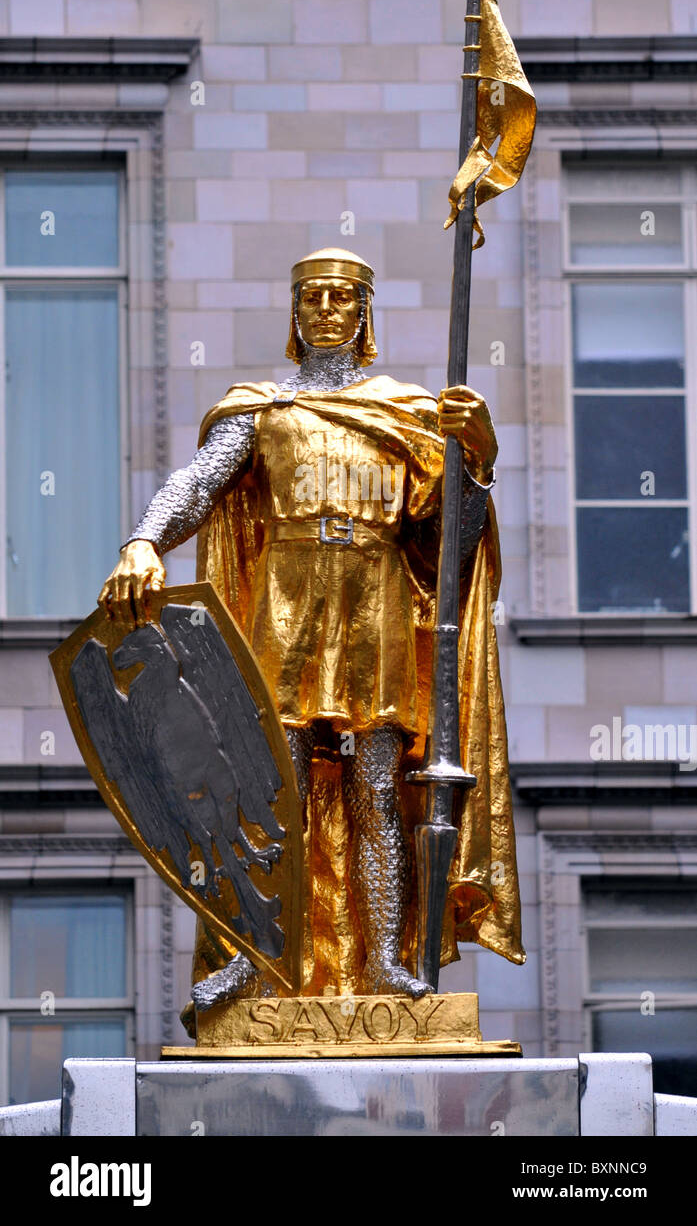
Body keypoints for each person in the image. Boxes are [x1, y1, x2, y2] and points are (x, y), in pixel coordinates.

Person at [100, 247, 524, 1020]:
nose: (326, 308)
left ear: (364, 313)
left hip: (377, 598)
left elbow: (449, 546)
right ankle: (251, 957)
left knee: (374, 789)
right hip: (287, 600)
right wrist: (144, 539)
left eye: (341, 297)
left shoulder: (410, 412)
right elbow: (199, 482)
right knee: (272, 790)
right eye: (312, 298)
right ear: (294, 314)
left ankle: (386, 965)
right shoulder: (264, 408)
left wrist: (479, 459)